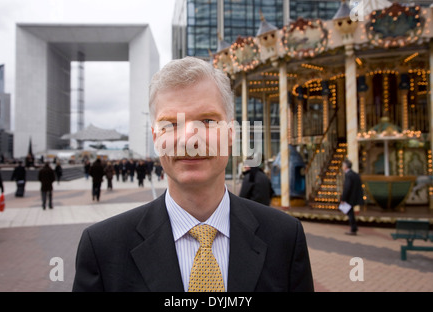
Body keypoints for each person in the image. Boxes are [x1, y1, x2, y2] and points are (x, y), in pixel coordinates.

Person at [73, 56, 313, 292]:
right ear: (156, 139)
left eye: (207, 120)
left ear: (231, 134)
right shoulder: (103, 248)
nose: (189, 138)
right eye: (171, 124)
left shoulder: (285, 239)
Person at [340, 159, 364, 235]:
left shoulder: (348, 175)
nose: (342, 167)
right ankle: (354, 227)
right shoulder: (355, 174)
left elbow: (347, 187)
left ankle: (353, 228)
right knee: (351, 213)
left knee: (350, 213)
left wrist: (343, 198)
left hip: (350, 198)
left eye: (343, 165)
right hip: (354, 197)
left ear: (346, 166)